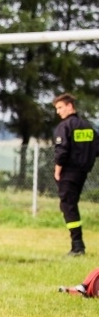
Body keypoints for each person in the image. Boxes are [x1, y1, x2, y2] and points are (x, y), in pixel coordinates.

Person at [52, 93, 98, 257]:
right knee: (70, 204)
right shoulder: (88, 126)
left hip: (68, 172)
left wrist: (57, 170)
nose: (58, 112)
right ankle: (77, 244)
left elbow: (62, 150)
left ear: (70, 106)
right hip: (83, 172)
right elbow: (96, 148)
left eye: (60, 107)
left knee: (68, 205)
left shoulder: (65, 127)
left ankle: (77, 246)